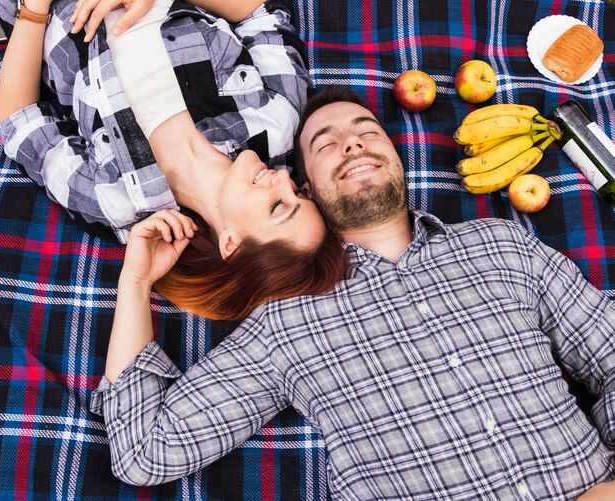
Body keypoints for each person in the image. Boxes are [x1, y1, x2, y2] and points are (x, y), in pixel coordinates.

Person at [90, 85, 615, 498]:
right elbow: (145, 453)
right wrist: (135, 283)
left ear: (396, 156)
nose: (352, 141)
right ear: (308, 189)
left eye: (368, 131)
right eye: (325, 143)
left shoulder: (500, 244)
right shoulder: (283, 322)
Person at [0, 0, 348, 319]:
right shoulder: (279, 120)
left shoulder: (117, 199)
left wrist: (34, 10)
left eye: (278, 206)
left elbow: (19, 118)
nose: (284, 181)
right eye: (299, 194)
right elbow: (259, 14)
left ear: (231, 244)